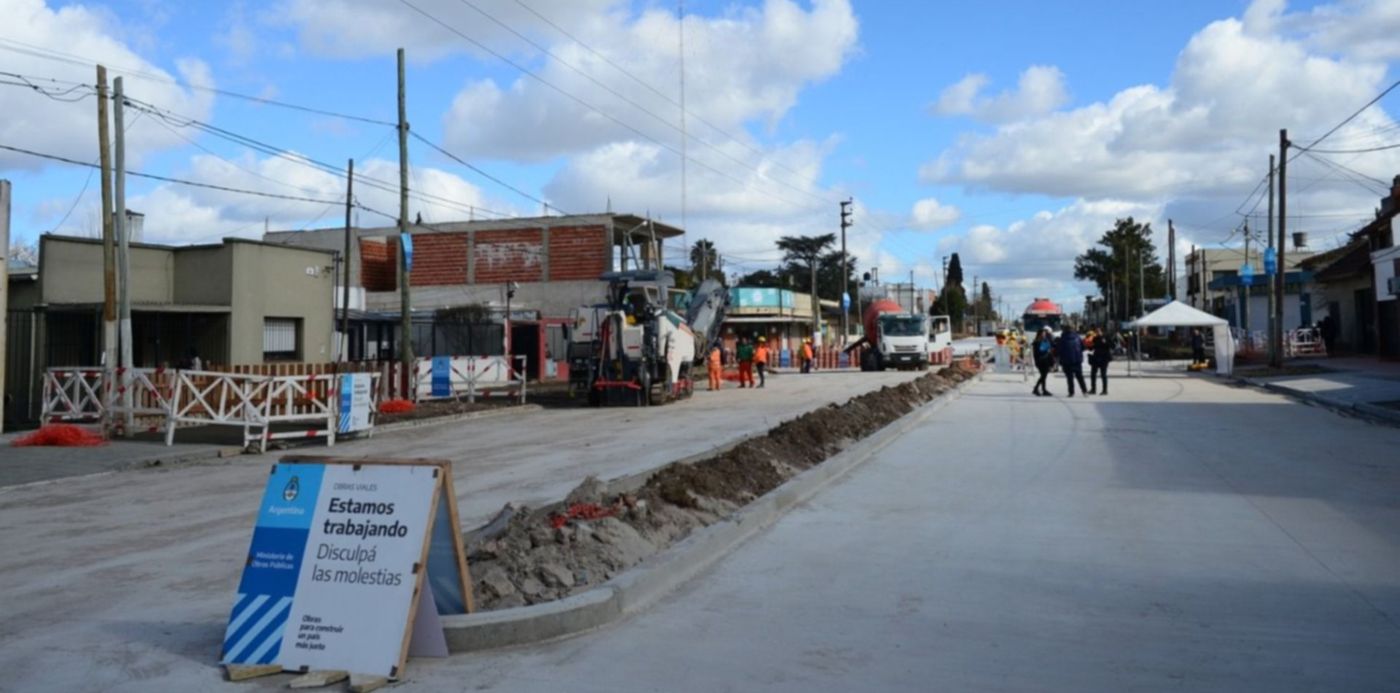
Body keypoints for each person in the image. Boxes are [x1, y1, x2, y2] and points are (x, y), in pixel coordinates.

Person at [1057, 324, 1088, 397]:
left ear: (1064, 330)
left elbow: (1059, 350)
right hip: (1077, 360)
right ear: (1073, 329)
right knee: (1080, 377)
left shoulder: (1062, 339)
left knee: (1069, 378)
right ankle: (1084, 391)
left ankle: (1071, 392)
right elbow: (1083, 348)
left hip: (1066, 361)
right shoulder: (1077, 337)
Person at [1032, 327, 1055, 397]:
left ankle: (1042, 389)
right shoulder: (1037, 342)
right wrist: (1046, 349)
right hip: (1040, 361)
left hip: (1046, 360)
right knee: (1043, 375)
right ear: (1039, 334)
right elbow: (1039, 351)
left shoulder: (1045, 341)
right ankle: (1037, 389)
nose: (1044, 335)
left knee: (1044, 376)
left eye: (1044, 334)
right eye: (1042, 334)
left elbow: (1049, 349)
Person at [1088, 329, 1112, 395]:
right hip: (1096, 358)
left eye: (1099, 332)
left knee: (1103, 375)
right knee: (1093, 374)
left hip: (1104, 358)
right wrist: (1089, 344)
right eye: (1096, 332)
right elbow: (1091, 348)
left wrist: (1105, 342)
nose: (1098, 333)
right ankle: (1093, 389)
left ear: (1102, 332)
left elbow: (1111, 345)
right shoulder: (1095, 338)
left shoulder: (1106, 337)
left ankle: (1105, 390)